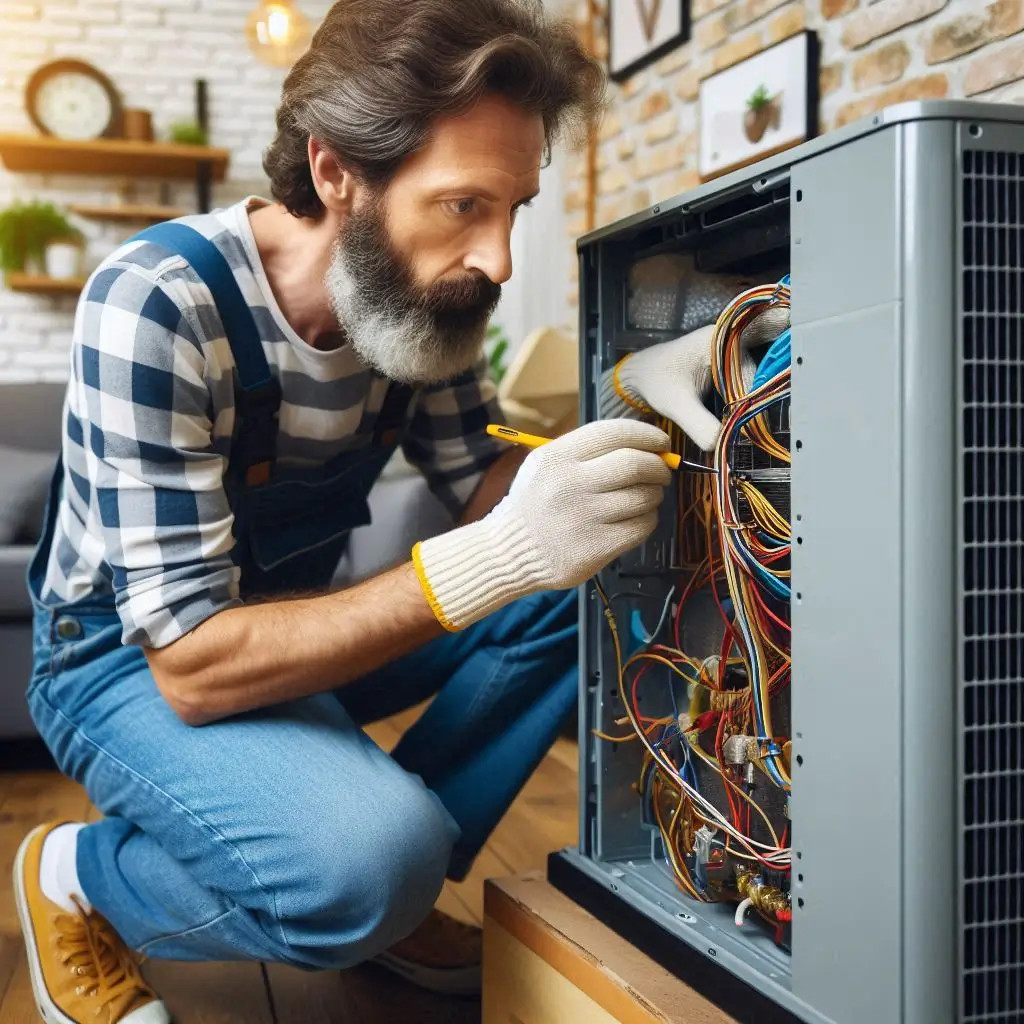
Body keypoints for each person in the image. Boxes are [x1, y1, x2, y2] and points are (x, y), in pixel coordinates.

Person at [14, 1, 786, 1021]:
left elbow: (500, 493)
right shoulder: (160, 303)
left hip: (290, 627)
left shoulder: (414, 305)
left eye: (514, 207)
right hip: (130, 661)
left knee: (592, 570)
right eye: (462, 205)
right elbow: (195, 668)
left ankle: (389, 878)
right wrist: (499, 554)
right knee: (365, 865)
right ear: (335, 173)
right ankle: (85, 875)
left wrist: (628, 401)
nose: (501, 260)